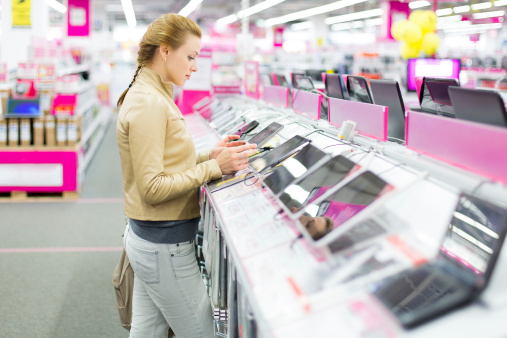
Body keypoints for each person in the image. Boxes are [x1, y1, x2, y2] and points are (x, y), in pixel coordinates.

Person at [116, 13, 257, 338]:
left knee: (147, 332)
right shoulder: (150, 103)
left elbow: (162, 163)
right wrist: (213, 168)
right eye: (190, 56)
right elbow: (152, 188)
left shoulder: (150, 93)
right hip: (163, 248)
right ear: (165, 51)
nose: (194, 66)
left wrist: (207, 156)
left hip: (150, 241)